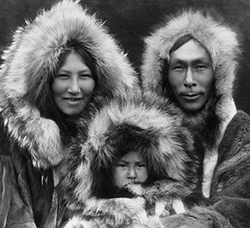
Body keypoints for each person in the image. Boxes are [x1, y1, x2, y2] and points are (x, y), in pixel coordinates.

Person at [0, 0, 139, 227]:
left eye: (84, 76)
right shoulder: (14, 145)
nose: (74, 88)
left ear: (98, 81)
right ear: (46, 82)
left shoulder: (119, 145)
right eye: (63, 76)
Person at [140, 8, 250, 228]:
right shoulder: (141, 137)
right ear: (163, 75)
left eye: (200, 67)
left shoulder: (241, 132)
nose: (189, 80)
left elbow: (242, 205)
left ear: (217, 74)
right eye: (178, 67)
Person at [56, 94, 204, 228]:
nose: (132, 174)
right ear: (106, 170)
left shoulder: (169, 208)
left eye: (140, 165)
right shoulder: (86, 220)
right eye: (123, 165)